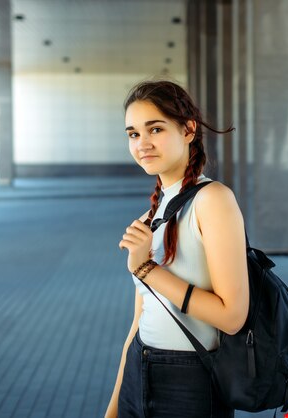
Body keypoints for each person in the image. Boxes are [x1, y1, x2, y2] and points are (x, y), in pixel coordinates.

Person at [104, 79, 249, 418]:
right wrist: (114, 406)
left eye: (155, 129)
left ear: (187, 130)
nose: (142, 144)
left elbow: (232, 316)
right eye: (133, 134)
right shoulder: (149, 216)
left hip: (190, 382)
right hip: (139, 371)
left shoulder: (213, 200)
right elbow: (139, 322)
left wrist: (146, 270)